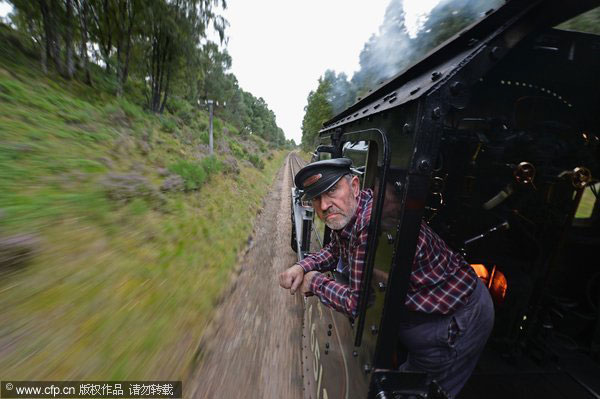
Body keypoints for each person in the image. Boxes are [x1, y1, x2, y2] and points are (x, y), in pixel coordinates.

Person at [279, 158, 494, 398]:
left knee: (414, 392)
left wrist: (314, 281)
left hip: (454, 319)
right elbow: (335, 250)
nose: (325, 205)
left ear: (355, 186)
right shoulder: (352, 211)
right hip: (419, 308)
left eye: (331, 191)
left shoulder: (372, 225)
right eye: (316, 198)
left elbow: (357, 303)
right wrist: (302, 266)